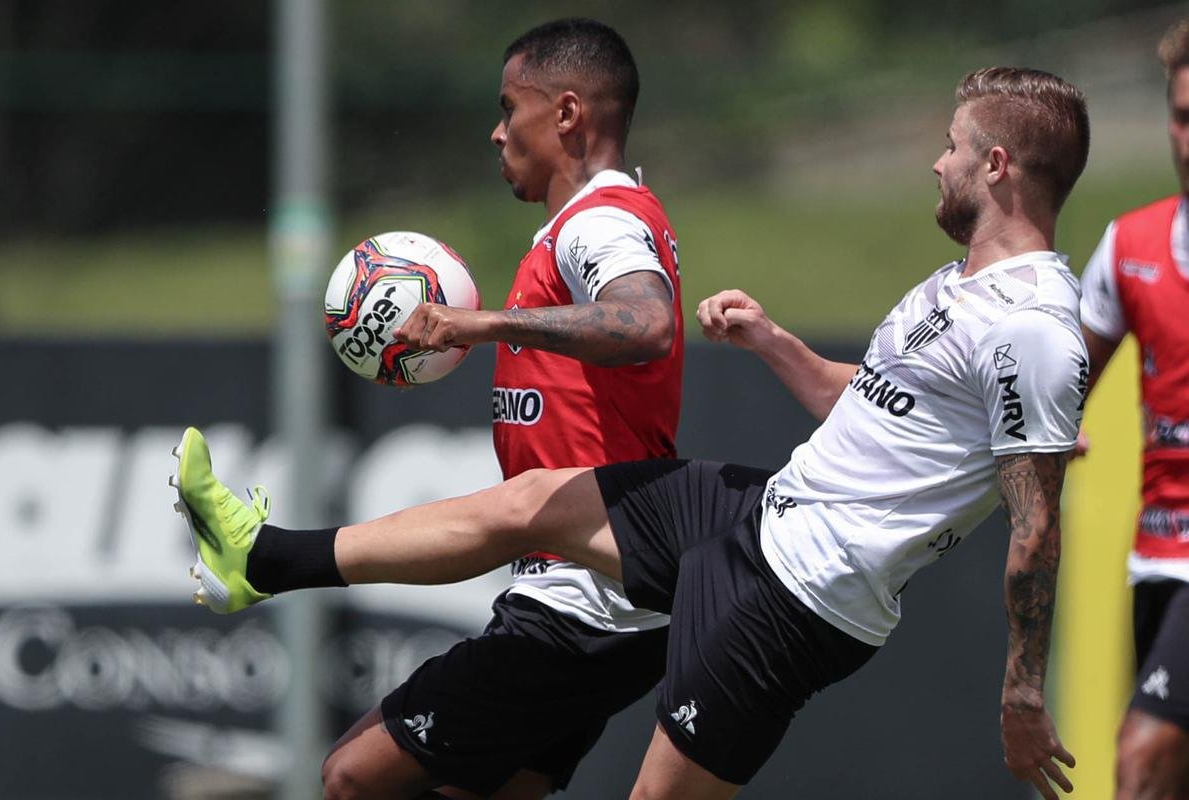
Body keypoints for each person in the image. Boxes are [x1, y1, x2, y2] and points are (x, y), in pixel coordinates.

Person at [172, 67, 1089, 799]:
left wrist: (1018, 694)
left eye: (951, 146)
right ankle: (267, 557)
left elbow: (1036, 528)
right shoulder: (955, 283)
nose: (936, 162)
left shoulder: (1035, 326)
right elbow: (870, 404)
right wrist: (772, 343)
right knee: (534, 502)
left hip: (803, 599)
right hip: (763, 515)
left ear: (997, 165)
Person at [230, 18, 683, 800]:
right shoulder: (584, 225)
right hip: (607, 597)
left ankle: (270, 559)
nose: (497, 130)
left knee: (350, 777)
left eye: (512, 108)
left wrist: (482, 324)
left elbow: (645, 324)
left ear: (567, 114)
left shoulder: (600, 222)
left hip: (585, 601)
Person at [1077, 18, 1189, 800]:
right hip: (1155, 559)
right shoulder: (1128, 246)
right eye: (1183, 116)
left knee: (1141, 759)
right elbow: (1057, 389)